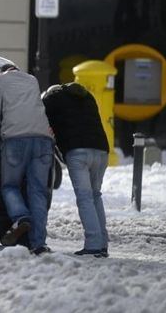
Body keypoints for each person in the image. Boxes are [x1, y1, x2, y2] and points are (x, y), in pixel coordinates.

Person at [0, 64, 54, 254]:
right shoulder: (32, 80)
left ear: (1, 73)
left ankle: (21, 217)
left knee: (10, 186)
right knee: (38, 191)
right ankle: (38, 244)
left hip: (16, 139)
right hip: (43, 139)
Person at [42, 83, 110, 257]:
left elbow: (41, 121)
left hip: (78, 152)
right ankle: (102, 244)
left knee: (85, 198)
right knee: (96, 195)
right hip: (101, 150)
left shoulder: (52, 99)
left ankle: (94, 244)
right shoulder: (87, 96)